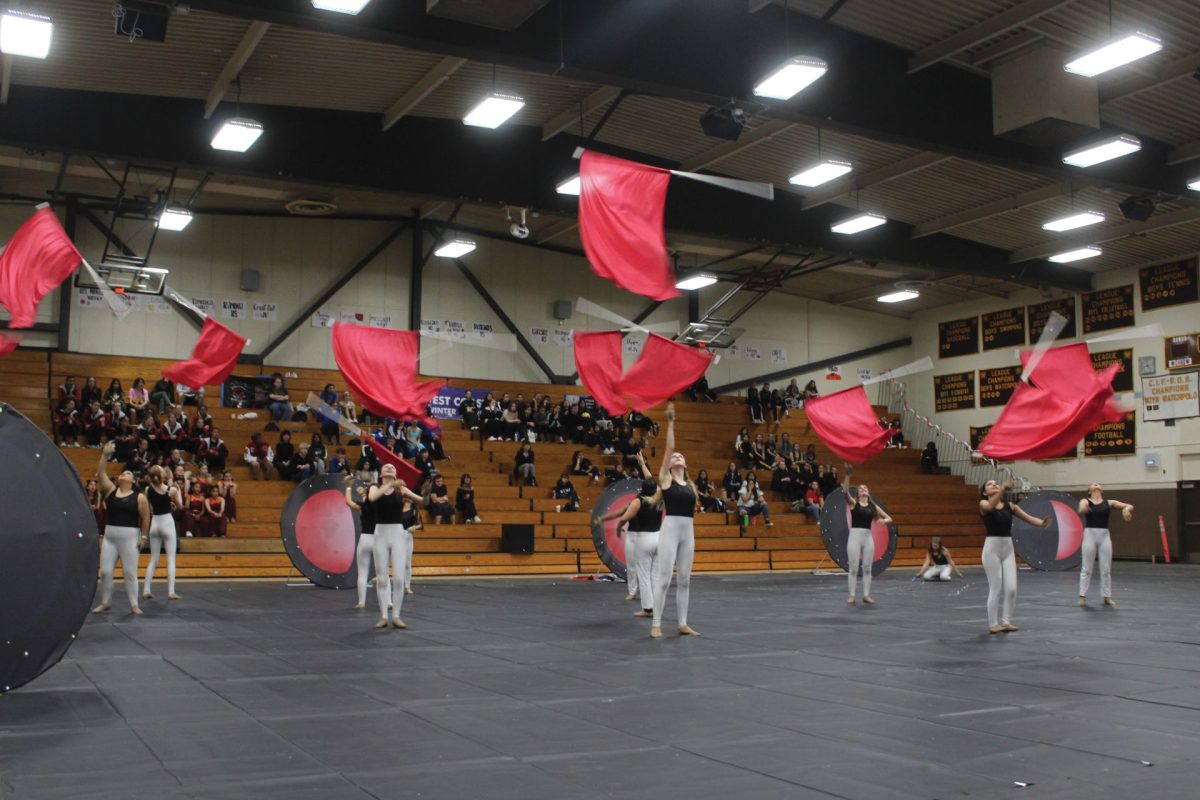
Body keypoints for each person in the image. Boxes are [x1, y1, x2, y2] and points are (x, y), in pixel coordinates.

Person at [650, 403, 699, 638]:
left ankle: (682, 623)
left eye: (681, 456)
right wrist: (670, 422)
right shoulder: (666, 480)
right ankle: (656, 623)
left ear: (685, 465)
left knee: (685, 580)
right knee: (664, 579)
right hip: (669, 530)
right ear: (670, 464)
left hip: (687, 532)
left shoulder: (690, 486)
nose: (677, 457)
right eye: (675, 457)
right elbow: (669, 448)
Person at [979, 479, 1050, 633]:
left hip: (1007, 548)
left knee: (1011, 588)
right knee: (996, 588)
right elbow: (991, 506)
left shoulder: (1010, 506)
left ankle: (1006, 622)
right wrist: (1002, 489)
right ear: (985, 492)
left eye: (996, 483)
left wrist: (1042, 523)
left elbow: (1030, 519)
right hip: (992, 549)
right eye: (990, 484)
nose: (995, 485)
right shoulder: (983, 504)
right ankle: (993, 624)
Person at [92, 443, 149, 615]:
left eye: (128, 473)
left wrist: (144, 538)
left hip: (130, 538)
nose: (125, 474)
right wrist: (105, 455)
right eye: (123, 472)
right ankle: (105, 602)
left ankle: (134, 604)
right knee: (106, 571)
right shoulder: (110, 491)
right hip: (110, 537)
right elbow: (101, 473)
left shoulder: (139, 497)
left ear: (133, 481)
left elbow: (146, 517)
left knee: (130, 573)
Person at [367, 464, 425, 629]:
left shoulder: (402, 490)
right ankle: (384, 615)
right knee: (382, 579)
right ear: (381, 473)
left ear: (397, 473)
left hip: (397, 533)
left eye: (393, 467)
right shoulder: (374, 487)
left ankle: (397, 615)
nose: (390, 468)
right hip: (380, 534)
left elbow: (421, 500)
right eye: (386, 467)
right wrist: (391, 484)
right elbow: (372, 498)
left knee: (399, 579)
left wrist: (427, 490)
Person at [598, 472, 660, 618]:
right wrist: (644, 466)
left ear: (642, 489)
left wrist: (619, 528)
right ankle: (658, 605)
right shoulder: (659, 498)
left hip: (644, 537)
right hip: (659, 537)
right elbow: (653, 481)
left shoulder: (638, 501)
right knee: (655, 575)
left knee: (644, 575)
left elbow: (624, 517)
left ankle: (648, 608)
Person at [842, 466, 893, 606]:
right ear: (858, 493)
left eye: (865, 488)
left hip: (868, 537)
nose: (863, 489)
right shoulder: (854, 504)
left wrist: (884, 520)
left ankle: (866, 595)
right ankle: (852, 595)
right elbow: (845, 491)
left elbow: (889, 518)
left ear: (868, 492)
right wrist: (847, 476)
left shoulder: (873, 507)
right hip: (855, 536)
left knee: (867, 568)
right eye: (860, 488)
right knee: (853, 568)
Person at [1077, 483, 1133, 607]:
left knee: (1106, 568)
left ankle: (1106, 597)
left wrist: (1126, 509)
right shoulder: (1085, 501)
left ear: (1102, 490)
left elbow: (1129, 505)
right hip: (1090, 535)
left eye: (1098, 484)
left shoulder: (1109, 503)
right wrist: (1084, 508)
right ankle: (1082, 596)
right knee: (1086, 568)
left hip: (1104, 536)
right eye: (1093, 484)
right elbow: (1081, 509)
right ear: (1089, 491)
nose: (1096, 484)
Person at [142, 465, 183, 601]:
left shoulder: (148, 489)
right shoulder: (170, 490)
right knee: (170, 559)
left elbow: (148, 508)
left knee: (153, 559)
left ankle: (146, 589)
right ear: (162, 475)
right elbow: (180, 506)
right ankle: (171, 591)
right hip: (166, 522)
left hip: (155, 523)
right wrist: (178, 492)